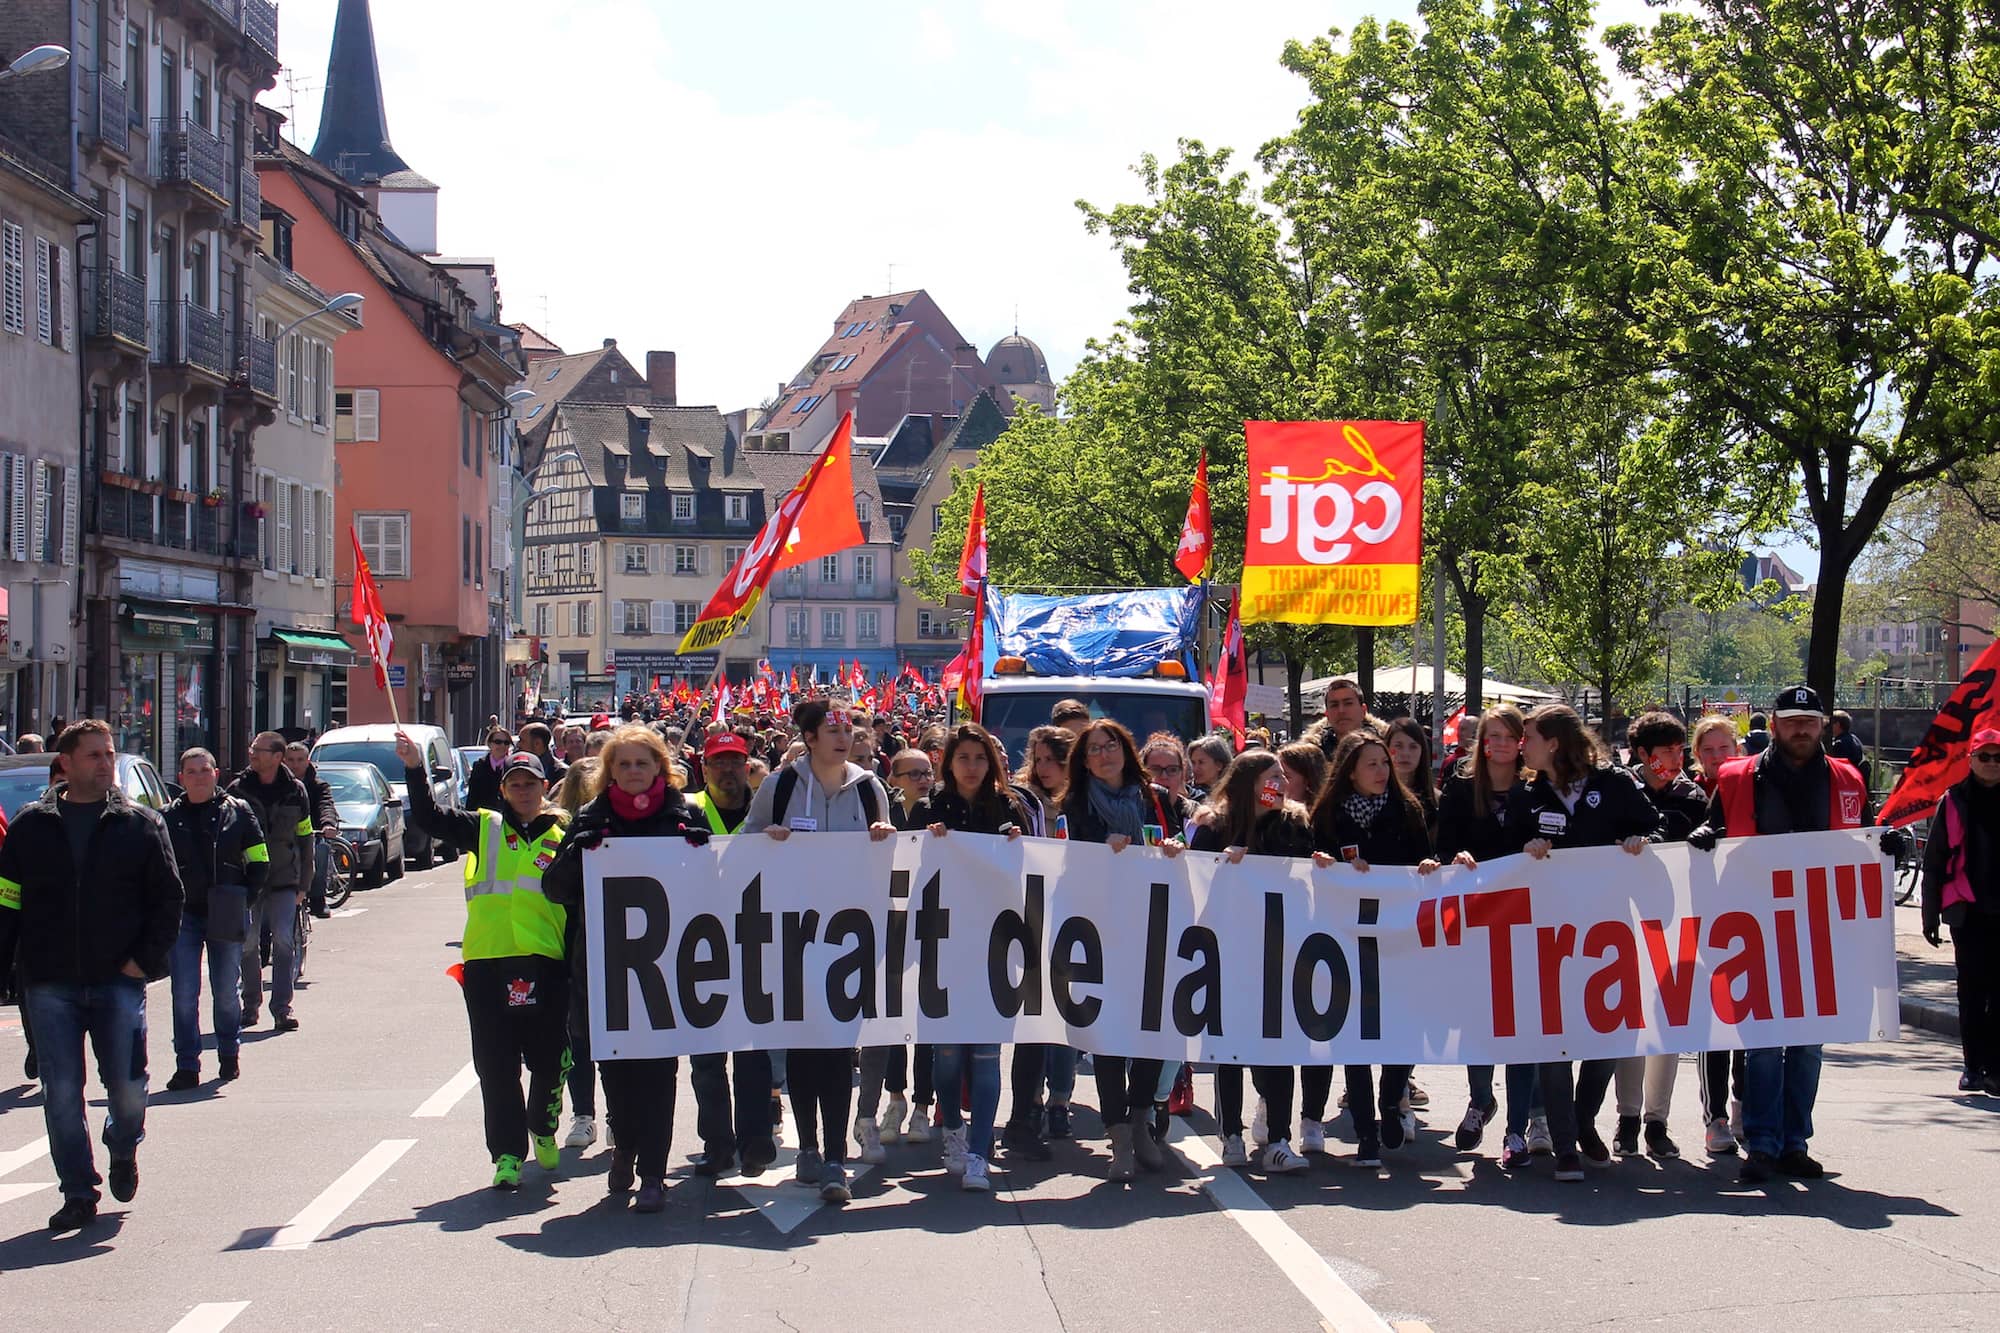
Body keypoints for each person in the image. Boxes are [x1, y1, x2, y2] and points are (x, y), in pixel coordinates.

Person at [1689, 686, 1898, 1183]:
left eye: (1809, 720)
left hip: (1821, 932)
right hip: (1756, 929)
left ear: (1822, 725)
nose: (1801, 728)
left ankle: (1794, 1142)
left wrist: (1883, 843)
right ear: (1776, 724)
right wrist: (1704, 836)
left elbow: (1861, 841)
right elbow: (1714, 831)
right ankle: (1760, 1144)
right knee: (1762, 1044)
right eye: (1792, 720)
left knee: (1807, 1047)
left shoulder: (1848, 777)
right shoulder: (1736, 777)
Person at [0, 720, 183, 1232]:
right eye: (94, 755)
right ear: (67, 764)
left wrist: (141, 962)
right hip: (48, 981)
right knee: (61, 1092)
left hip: (118, 979)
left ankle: (123, 1146)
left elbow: (169, 900)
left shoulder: (140, 825)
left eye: (109, 754)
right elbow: (6, 901)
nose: (105, 763)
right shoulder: (30, 827)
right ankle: (79, 1192)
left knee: (127, 1089)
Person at [397, 732, 573, 1193]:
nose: (522, 790)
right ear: (503, 789)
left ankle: (544, 1124)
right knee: (496, 1067)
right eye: (514, 783)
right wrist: (415, 768)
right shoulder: (484, 827)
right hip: (488, 962)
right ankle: (508, 1155)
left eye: (530, 782)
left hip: (546, 963)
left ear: (544, 786)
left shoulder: (567, 836)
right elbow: (429, 818)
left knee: (550, 1061)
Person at [545, 725, 710, 1212]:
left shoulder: (686, 816)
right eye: (624, 764)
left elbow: (713, 892)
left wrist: (704, 852)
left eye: (643, 763)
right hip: (605, 970)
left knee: (659, 1073)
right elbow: (555, 889)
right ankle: (627, 1149)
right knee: (616, 1072)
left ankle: (655, 1173)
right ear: (608, 771)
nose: (634, 772)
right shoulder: (589, 818)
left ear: (660, 767)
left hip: (664, 969)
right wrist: (577, 854)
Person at [743, 699, 898, 1204]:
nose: (843, 736)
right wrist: (766, 837)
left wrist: (884, 836)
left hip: (850, 939)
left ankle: (835, 1157)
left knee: (837, 1052)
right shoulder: (782, 785)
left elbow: (894, 857)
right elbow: (746, 842)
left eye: (848, 728)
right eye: (831, 729)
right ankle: (808, 1144)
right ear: (808, 737)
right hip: (794, 935)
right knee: (803, 1051)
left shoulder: (870, 788)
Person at [1519, 703, 1662, 1181]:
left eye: (1530, 737)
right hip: (1551, 937)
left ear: (1554, 742)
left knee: (1607, 1037)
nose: (1524, 746)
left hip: (1608, 935)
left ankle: (1584, 1117)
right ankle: (1564, 1144)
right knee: (1555, 1043)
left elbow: (1658, 827)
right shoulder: (1530, 795)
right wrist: (1527, 851)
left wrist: (1641, 842)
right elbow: (1507, 854)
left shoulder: (1614, 784)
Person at [1057, 718, 1187, 1180]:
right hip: (1100, 930)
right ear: (1083, 760)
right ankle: (1119, 1138)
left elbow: (1183, 844)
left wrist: (1173, 846)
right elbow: (1065, 862)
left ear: (1125, 749)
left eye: (1110, 744)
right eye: (1093, 749)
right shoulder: (1073, 805)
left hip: (1152, 926)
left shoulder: (1156, 797)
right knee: (1109, 1036)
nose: (1104, 754)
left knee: (1150, 1028)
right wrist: (1097, 848)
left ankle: (1141, 1122)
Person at [1308, 731, 1442, 1167]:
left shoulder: (1408, 810)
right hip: (1347, 939)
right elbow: (1310, 862)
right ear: (1350, 770)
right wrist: (1325, 863)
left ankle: (1390, 1102)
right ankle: (1366, 1131)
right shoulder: (1328, 814)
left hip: (1397, 939)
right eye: (1372, 764)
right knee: (1357, 1040)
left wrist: (1426, 867)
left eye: (1384, 763)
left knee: (1399, 1031)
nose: (1383, 771)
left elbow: (1426, 859)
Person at [911, 723, 1029, 1191]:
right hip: (941, 944)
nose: (972, 767)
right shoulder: (926, 808)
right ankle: (953, 1132)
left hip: (993, 946)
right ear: (949, 761)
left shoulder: (1007, 807)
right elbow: (905, 870)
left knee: (985, 1055)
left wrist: (1019, 845)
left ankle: (980, 1151)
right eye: (964, 758)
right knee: (946, 1056)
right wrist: (926, 839)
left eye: (980, 759)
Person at [1189, 749, 1313, 1174]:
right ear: (1249, 784)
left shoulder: (1295, 824)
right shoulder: (1214, 827)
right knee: (1229, 1046)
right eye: (1271, 776)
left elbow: (1308, 880)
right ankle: (1231, 1135)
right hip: (1227, 953)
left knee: (1277, 1047)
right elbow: (1194, 885)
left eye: (1283, 776)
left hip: (1279, 951)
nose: (1280, 783)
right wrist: (1225, 867)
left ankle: (1279, 1139)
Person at [1436, 704, 1537, 1159]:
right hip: (1476, 917)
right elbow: (1443, 845)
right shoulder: (1460, 788)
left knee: (1520, 1024)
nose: (1497, 744)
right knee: (1479, 1019)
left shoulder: (1535, 790)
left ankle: (1517, 1127)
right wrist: (1457, 857)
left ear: (1521, 742)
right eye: (1489, 736)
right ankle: (1481, 1099)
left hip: (1525, 919)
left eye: (1506, 736)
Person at [681, 731, 778, 1179]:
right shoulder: (685, 810)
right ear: (705, 768)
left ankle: (756, 1140)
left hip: (756, 943)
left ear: (747, 766)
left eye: (735, 762)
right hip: (698, 947)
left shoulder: (769, 811)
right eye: (718, 762)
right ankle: (716, 1143)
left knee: (753, 1053)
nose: (727, 770)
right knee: (705, 1057)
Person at [1618, 711, 1712, 1159]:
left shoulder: (1693, 797)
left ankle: (1658, 1121)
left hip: (1678, 923)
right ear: (1643, 754)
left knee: (1670, 1024)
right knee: (1631, 1022)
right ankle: (1627, 1117)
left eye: (1681, 751)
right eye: (1668, 752)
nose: (1678, 759)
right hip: (1625, 923)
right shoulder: (1619, 791)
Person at [162, 748, 267, 1090]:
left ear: (216, 774)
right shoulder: (165, 818)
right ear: (181, 778)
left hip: (226, 909)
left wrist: (244, 899)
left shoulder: (238, 812)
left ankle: (228, 1052)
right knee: (184, 992)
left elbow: (259, 860)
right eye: (190, 772)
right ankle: (187, 1065)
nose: (198, 777)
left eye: (204, 770)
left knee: (224, 989)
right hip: (183, 914)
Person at [1922, 727, 2000, 1096]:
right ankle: (1972, 1067)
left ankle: (1995, 1069)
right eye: (1984, 756)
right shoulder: (1952, 801)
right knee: (1971, 991)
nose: (1991, 764)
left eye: (1998, 757)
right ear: (1971, 760)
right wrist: (1929, 915)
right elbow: (1934, 862)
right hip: (1967, 911)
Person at [1686, 714, 1747, 1150]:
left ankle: (1746, 1105)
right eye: (1707, 750)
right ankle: (1716, 1117)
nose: (1716, 757)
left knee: (1749, 1022)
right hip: (1702, 922)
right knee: (1714, 1026)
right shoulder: (1689, 795)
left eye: (1723, 748)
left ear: (1737, 750)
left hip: (1748, 918)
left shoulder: (1752, 789)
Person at [230, 732, 315, 1033]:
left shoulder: (296, 791)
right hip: (247, 882)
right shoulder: (237, 790)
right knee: (248, 944)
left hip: (284, 880)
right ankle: (250, 1005)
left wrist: (304, 884)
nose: (252, 753)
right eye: (251, 748)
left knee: (283, 941)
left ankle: (282, 1008)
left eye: (259, 750)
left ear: (276, 757)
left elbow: (305, 839)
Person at [283, 742, 339, 920]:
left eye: (300, 760)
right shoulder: (277, 784)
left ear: (308, 761)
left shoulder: (318, 786)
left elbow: (326, 805)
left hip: (310, 835)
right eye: (290, 760)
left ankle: (317, 898)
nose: (295, 764)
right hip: (282, 837)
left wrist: (327, 824)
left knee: (321, 850)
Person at [467, 727, 513, 814]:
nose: (502, 746)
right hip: (483, 819)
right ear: (489, 744)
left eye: (506, 743)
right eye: (498, 742)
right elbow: (472, 798)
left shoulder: (512, 767)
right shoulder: (479, 766)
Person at [517, 722, 568, 789]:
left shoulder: (562, 774)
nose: (518, 745)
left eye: (522, 740)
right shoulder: (517, 768)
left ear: (537, 744)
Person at [1186, 734, 1234, 802]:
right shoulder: (1188, 794)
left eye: (1201, 762)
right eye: (1193, 763)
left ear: (1219, 765)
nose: (1195, 769)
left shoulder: (1234, 793)